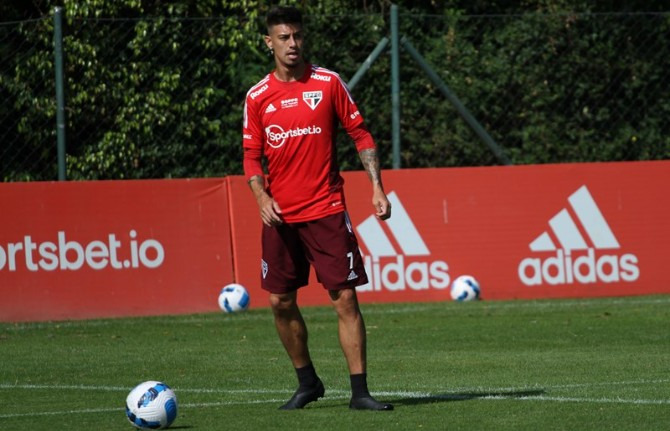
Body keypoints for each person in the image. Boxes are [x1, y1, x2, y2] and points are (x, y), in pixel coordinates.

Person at [242, 5, 393, 411]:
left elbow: (360, 133)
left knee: (344, 297)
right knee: (279, 301)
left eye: (298, 36)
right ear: (268, 42)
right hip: (281, 216)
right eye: (284, 37)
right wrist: (261, 197)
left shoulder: (328, 83)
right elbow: (251, 156)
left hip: (326, 208)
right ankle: (308, 382)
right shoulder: (257, 96)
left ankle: (360, 392)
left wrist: (377, 186)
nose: (293, 44)